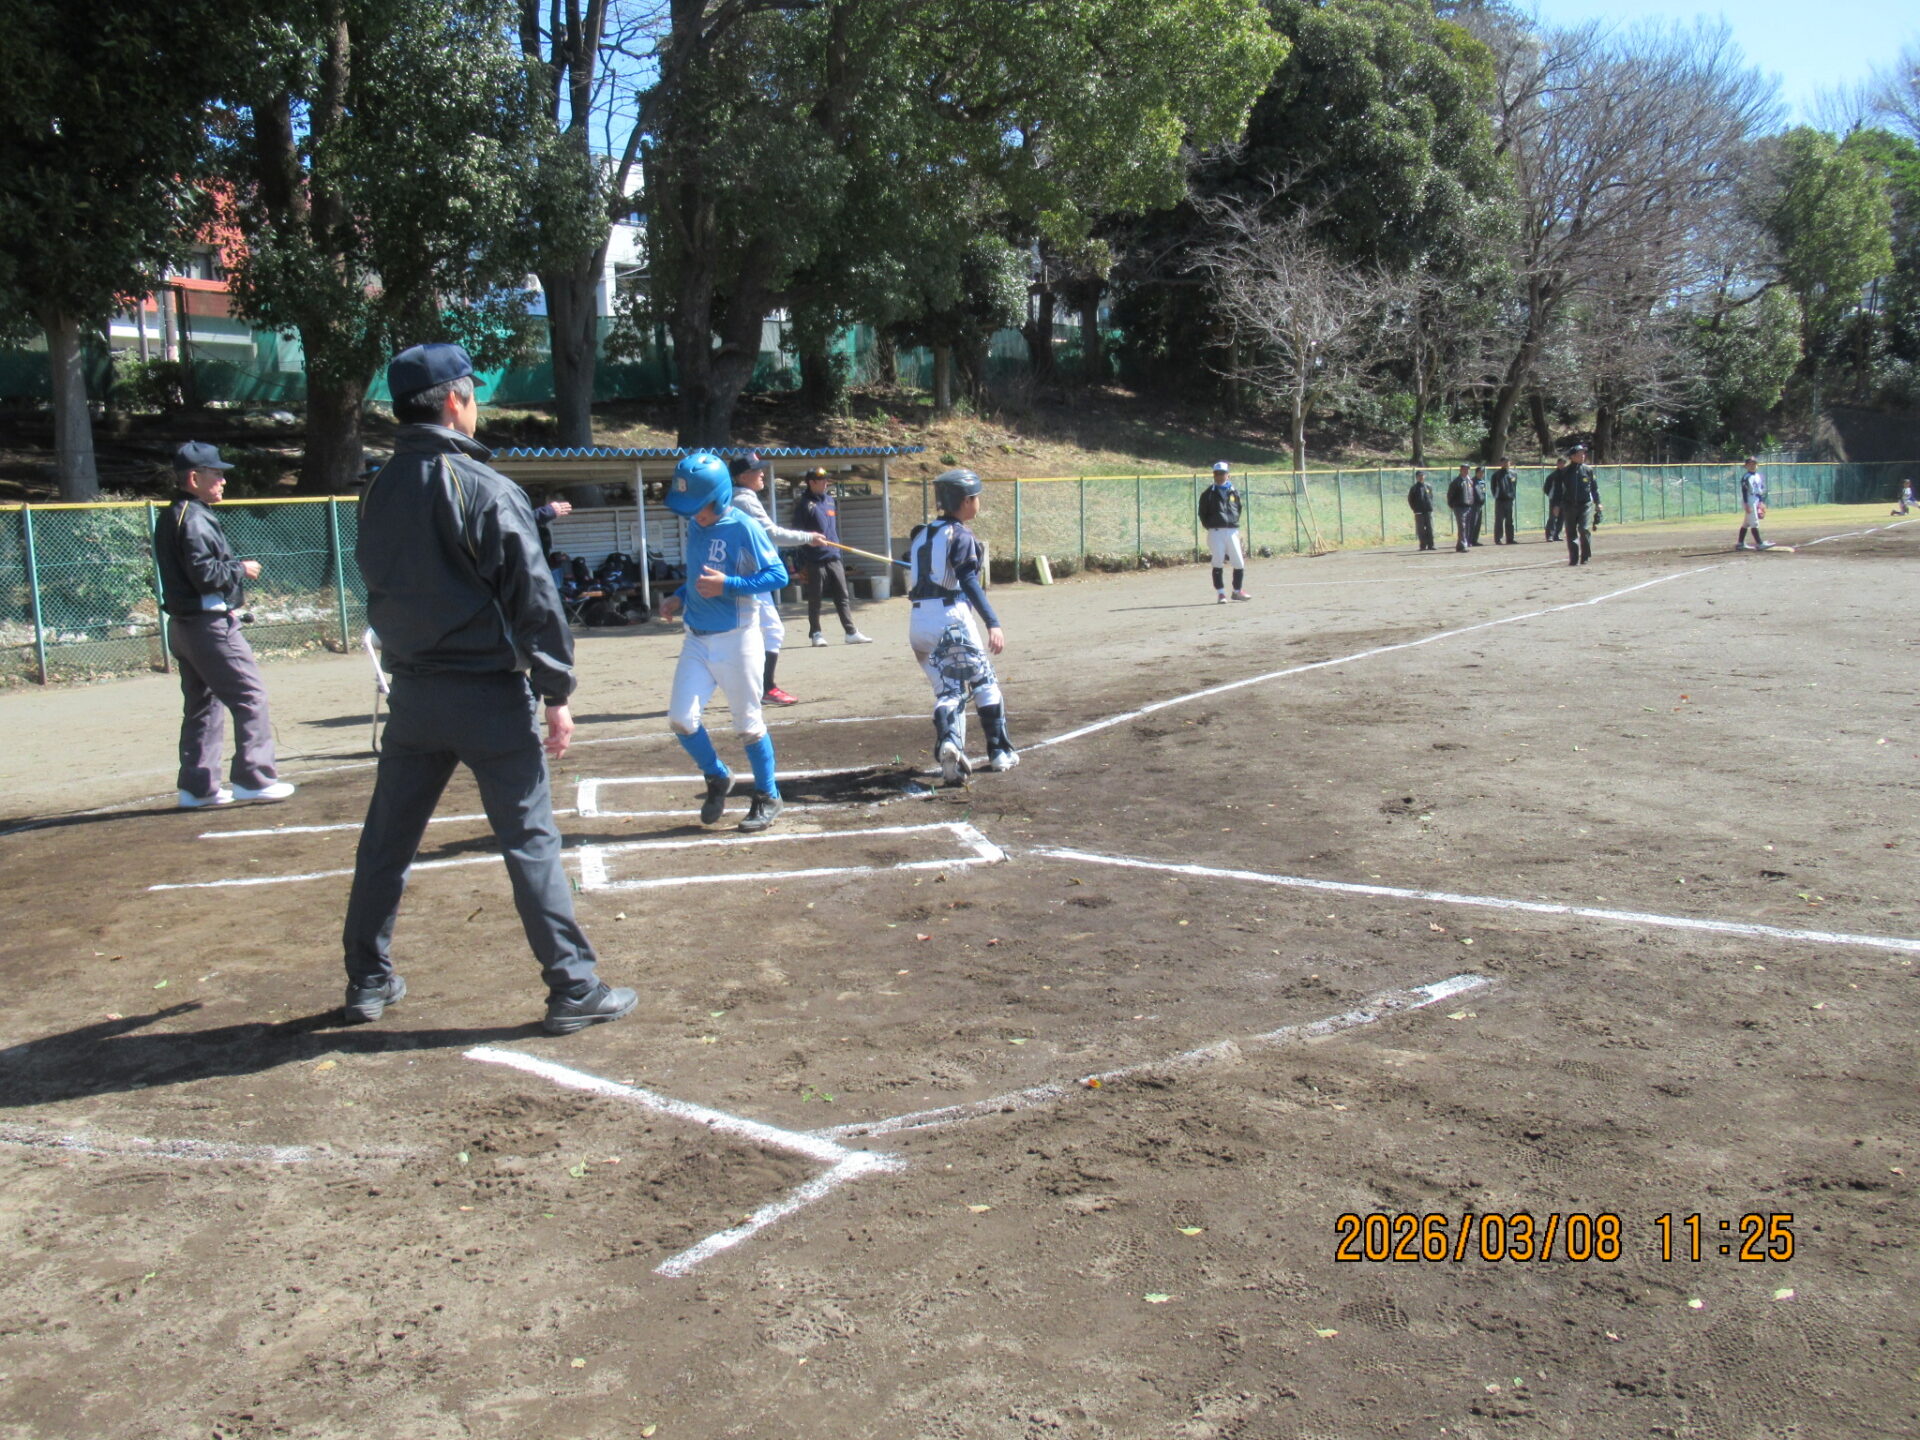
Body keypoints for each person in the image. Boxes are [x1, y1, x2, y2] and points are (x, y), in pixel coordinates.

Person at [342, 342, 635, 1035]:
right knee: (530, 839)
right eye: (472, 393)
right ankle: (573, 986)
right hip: (486, 694)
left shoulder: (377, 489)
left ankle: (367, 978)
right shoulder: (484, 486)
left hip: (414, 692)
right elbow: (535, 598)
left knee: (386, 841)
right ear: (454, 400)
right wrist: (556, 691)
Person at [153, 442, 297, 809]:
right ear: (194, 478)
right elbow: (205, 574)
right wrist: (240, 569)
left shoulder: (174, 514)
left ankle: (197, 788)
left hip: (184, 626)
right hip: (209, 626)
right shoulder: (194, 518)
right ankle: (254, 779)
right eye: (216, 474)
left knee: (203, 703)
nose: (223, 480)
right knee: (250, 696)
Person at [658, 451, 790, 832]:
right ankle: (717, 775)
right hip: (696, 639)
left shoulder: (743, 527)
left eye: (697, 506)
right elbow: (699, 577)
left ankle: (768, 796)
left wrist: (728, 585)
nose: (692, 514)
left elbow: (777, 575)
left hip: (737, 638)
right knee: (681, 719)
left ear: (718, 497)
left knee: (748, 724)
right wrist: (679, 597)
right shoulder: (696, 526)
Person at [906, 468, 1016, 783]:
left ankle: (950, 748)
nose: (978, 502)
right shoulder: (962, 535)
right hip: (951, 619)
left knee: (948, 689)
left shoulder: (922, 534)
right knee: (983, 682)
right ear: (966, 501)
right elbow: (968, 580)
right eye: (976, 497)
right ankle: (999, 752)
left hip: (918, 622)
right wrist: (992, 622)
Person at [730, 451, 822, 706]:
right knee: (770, 631)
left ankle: (756, 687)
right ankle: (765, 688)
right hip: (749, 576)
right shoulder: (743, 500)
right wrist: (808, 537)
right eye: (756, 469)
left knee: (749, 633)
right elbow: (771, 534)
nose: (762, 473)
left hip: (746, 575)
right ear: (743, 476)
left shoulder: (739, 498)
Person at [791, 468, 873, 646]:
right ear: (811, 482)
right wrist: (808, 547)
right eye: (821, 480)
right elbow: (797, 533)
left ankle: (851, 632)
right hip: (814, 559)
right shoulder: (804, 504)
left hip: (834, 555)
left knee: (842, 595)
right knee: (815, 598)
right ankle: (816, 634)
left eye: (826, 479)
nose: (826, 483)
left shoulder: (830, 501)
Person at [1197, 461, 1250, 601]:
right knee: (1218, 561)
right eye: (1217, 473)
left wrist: (1232, 521)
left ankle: (1237, 591)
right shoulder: (1208, 494)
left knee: (1238, 562)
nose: (1219, 476)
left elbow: (1238, 508)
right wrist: (1211, 525)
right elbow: (1202, 513)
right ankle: (1221, 593)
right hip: (1215, 531)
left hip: (1232, 531)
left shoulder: (1234, 492)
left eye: (1222, 473)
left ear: (1228, 475)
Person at [1546, 442, 1601, 566]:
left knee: (1583, 529)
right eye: (1579, 454)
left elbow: (1594, 488)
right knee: (1571, 532)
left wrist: (1598, 502)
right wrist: (1556, 505)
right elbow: (1558, 490)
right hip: (1569, 505)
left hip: (1585, 504)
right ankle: (1574, 558)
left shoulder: (1588, 470)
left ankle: (1585, 556)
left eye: (1583, 454)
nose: (1583, 456)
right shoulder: (1565, 471)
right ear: (1572, 456)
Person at [1735, 457, 1774, 550]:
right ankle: (1759, 543)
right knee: (1754, 522)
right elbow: (1744, 491)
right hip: (1749, 499)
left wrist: (1761, 502)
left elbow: (1759, 490)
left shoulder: (1758, 476)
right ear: (1746, 466)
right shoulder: (1746, 477)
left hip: (1756, 499)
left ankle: (1740, 544)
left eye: (1754, 464)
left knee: (1746, 523)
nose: (1752, 466)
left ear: (1757, 465)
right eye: (1750, 464)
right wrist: (1746, 504)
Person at [1488, 458, 1518, 545]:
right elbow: (1493, 487)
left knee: (1510, 520)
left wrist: (1512, 496)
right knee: (1499, 520)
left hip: (1509, 500)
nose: (1506, 463)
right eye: (1504, 462)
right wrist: (1497, 496)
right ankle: (1498, 539)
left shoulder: (1513, 474)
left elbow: (1514, 486)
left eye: (1507, 462)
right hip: (1500, 501)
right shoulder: (1496, 475)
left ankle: (1510, 539)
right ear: (1501, 463)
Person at [1446, 464, 1473, 552]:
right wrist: (1453, 505)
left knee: (1466, 527)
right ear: (1460, 470)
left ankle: (1460, 545)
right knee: (1462, 527)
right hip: (1459, 507)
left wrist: (1471, 502)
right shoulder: (1456, 482)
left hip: (1468, 506)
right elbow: (1450, 495)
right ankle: (1463, 545)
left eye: (1468, 469)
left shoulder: (1469, 481)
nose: (1466, 471)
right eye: (1465, 469)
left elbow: (1471, 493)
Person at [1406, 469, 1436, 551]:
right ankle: (1423, 546)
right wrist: (1415, 509)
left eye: (1422, 476)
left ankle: (1431, 545)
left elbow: (1431, 497)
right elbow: (1410, 500)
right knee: (1421, 529)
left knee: (1430, 528)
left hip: (1428, 510)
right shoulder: (1414, 488)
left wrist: (1430, 506)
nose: (1421, 477)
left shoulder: (1428, 486)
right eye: (1419, 476)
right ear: (1416, 477)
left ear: (1424, 476)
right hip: (1419, 512)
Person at [1468, 465, 1488, 546]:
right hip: (1473, 505)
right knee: (1472, 523)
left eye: (1482, 473)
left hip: (1480, 505)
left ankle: (1474, 540)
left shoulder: (1482, 482)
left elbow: (1483, 493)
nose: (1481, 474)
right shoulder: (1472, 482)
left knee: (1478, 524)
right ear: (1476, 473)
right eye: (1479, 472)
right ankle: (1469, 541)